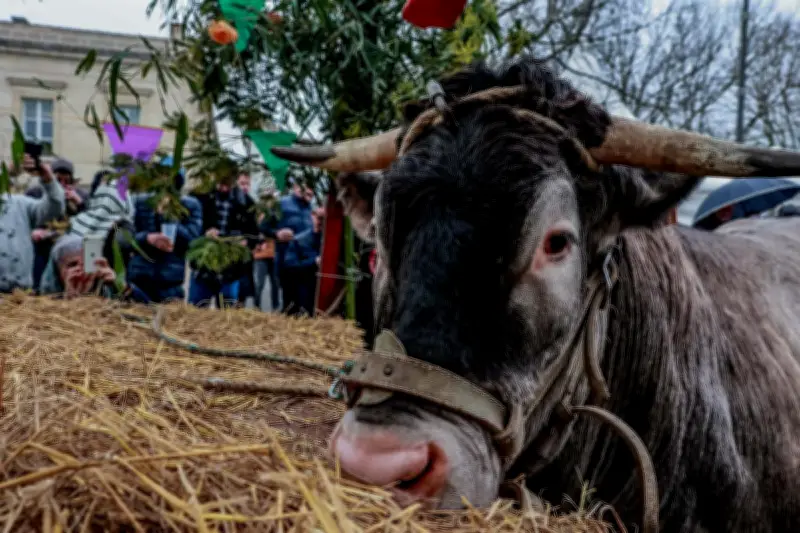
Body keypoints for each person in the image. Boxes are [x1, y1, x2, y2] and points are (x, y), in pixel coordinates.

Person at [127, 169, 203, 303]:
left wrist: (169, 215)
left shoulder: (190, 205)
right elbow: (127, 238)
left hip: (170, 280)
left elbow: (192, 241)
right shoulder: (140, 201)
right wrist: (147, 238)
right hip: (140, 277)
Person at [189, 174, 258, 308]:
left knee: (227, 310)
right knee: (197, 307)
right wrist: (204, 233)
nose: (224, 187)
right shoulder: (201, 197)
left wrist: (244, 242)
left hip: (231, 267)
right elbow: (189, 228)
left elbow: (254, 235)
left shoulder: (246, 202)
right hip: (203, 264)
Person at [0, 158, 65, 293]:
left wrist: (49, 181)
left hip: (19, 294)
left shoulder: (19, 203)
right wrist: (6, 174)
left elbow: (54, 209)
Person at [262, 179, 321, 316]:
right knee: (290, 303)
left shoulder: (311, 208)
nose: (307, 191)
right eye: (303, 187)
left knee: (306, 303)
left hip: (307, 264)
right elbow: (264, 226)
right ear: (295, 187)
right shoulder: (281, 204)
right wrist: (276, 233)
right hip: (286, 262)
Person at [38, 233, 118, 298]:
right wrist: (70, 300)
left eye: (85, 264)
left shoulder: (99, 285)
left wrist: (110, 286)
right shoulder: (42, 302)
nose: (80, 269)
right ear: (57, 271)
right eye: (73, 265)